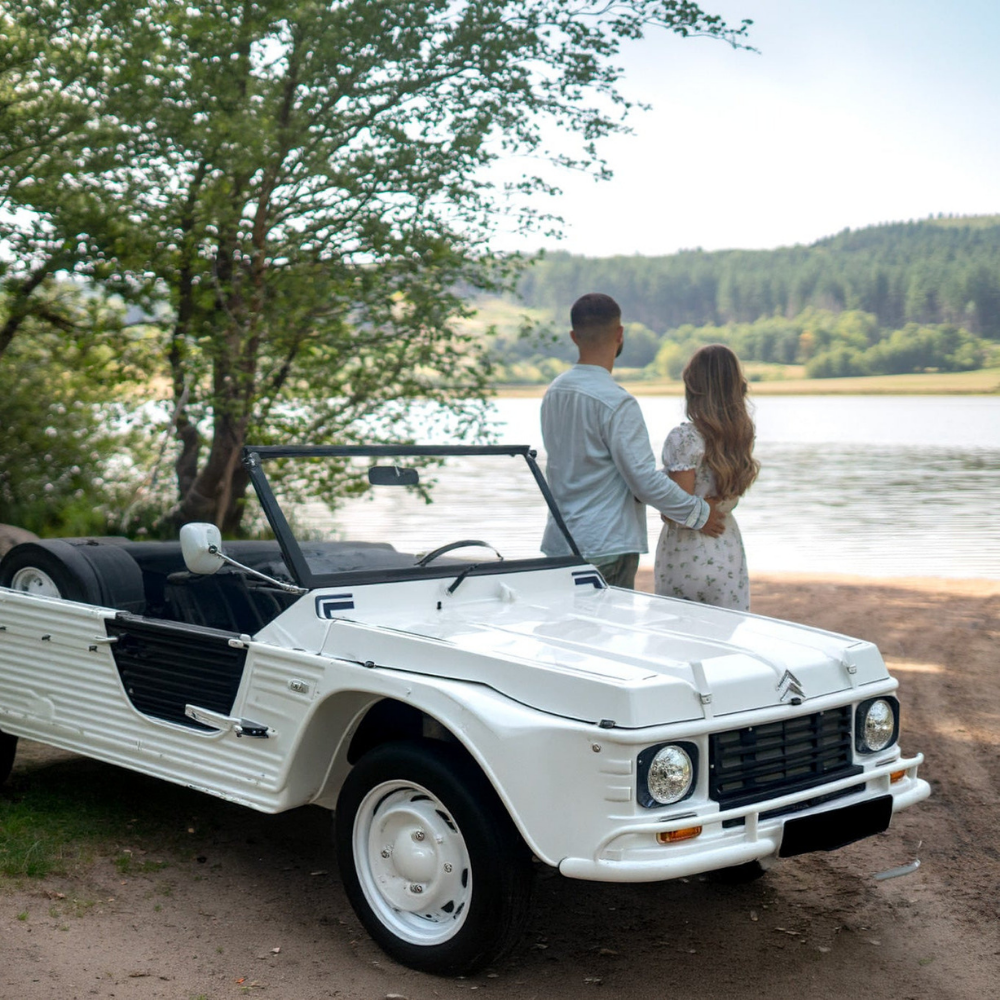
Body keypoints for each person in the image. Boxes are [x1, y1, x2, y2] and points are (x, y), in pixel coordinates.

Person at [540, 293, 725, 589]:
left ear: (574, 337)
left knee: (567, 633)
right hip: (606, 546)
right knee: (607, 634)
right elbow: (643, 480)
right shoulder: (617, 402)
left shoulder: (555, 391)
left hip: (559, 543)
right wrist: (699, 513)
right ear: (620, 334)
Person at [654, 344, 760, 610]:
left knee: (681, 640)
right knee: (725, 640)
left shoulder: (685, 438)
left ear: (694, 388)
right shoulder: (740, 437)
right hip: (727, 547)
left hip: (687, 555)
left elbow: (678, 510)